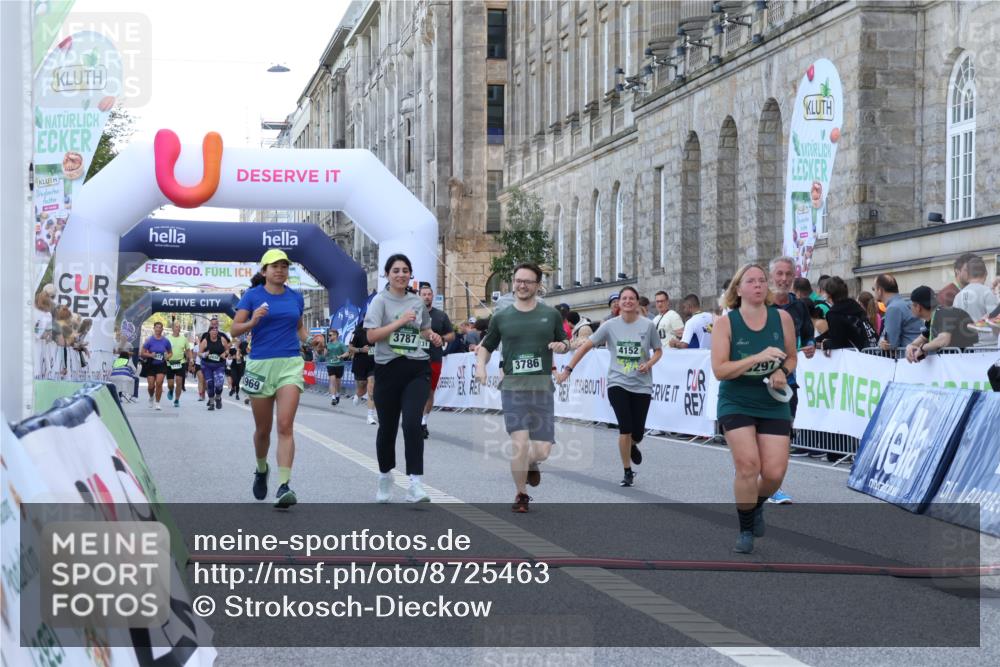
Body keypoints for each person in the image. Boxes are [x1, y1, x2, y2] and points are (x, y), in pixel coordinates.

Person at [711, 264, 797, 554]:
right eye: (751, 281)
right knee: (748, 465)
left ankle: (755, 505)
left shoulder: (782, 318)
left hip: (772, 401)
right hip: (736, 399)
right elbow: (720, 370)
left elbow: (793, 356)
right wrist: (757, 358)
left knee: (774, 473)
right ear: (738, 289)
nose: (759, 285)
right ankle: (745, 528)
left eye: (762, 280)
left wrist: (783, 370)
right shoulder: (726, 323)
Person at [477, 262, 569, 513]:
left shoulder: (550, 314)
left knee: (542, 450)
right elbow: (487, 345)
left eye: (528, 281)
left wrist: (561, 347)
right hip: (513, 389)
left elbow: (563, 341)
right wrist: (480, 366)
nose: (522, 285)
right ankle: (521, 494)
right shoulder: (502, 316)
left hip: (541, 389)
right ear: (513, 282)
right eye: (518, 280)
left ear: (538, 285)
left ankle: (530, 464)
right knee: (520, 443)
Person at [555, 286, 662, 487]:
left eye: (632, 298)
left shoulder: (648, 326)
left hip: (642, 384)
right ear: (618, 303)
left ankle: (632, 445)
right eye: (624, 298)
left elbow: (658, 351)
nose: (628, 301)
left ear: (637, 302)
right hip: (617, 382)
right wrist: (568, 369)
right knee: (625, 428)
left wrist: (649, 363)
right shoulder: (609, 326)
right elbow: (586, 346)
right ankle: (627, 471)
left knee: (637, 433)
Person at [231, 249, 308, 509]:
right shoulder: (252, 296)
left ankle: (284, 485)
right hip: (260, 365)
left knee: (285, 426)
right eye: (274, 266)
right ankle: (262, 468)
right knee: (263, 430)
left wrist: (313, 341)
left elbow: (299, 328)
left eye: (284, 266)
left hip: (289, 363)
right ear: (264, 271)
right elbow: (234, 330)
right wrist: (252, 321)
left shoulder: (296, 298)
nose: (279, 270)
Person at [364, 255, 443, 503]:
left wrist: (433, 337)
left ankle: (415, 483)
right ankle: (385, 475)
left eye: (405, 270)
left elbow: (423, 329)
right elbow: (371, 336)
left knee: (412, 424)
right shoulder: (380, 301)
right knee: (387, 428)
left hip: (416, 368)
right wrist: (398, 322)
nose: (401, 274)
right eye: (396, 270)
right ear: (387, 274)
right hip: (388, 369)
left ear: (411, 274)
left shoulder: (417, 302)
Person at [768, 256, 816, 479]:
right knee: (764, 431)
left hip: (788, 378)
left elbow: (808, 335)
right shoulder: (761, 303)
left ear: (794, 277)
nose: (784, 279)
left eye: (788, 274)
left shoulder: (799, 306)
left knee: (784, 431)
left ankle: (774, 480)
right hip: (758, 378)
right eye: (779, 273)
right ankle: (761, 474)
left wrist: (810, 345)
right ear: (771, 276)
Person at [419, 282, 455, 438]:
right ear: (419, 297)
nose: (427, 297)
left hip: (434, 358)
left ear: (432, 296)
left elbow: (452, 335)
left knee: (429, 392)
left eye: (429, 294)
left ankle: (423, 422)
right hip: (415, 358)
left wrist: (442, 337)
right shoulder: (413, 314)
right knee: (415, 391)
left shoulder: (441, 315)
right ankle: (414, 419)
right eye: (424, 294)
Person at [905, 286, 978, 362]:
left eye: (912, 305)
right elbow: (923, 338)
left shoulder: (943, 313)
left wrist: (922, 348)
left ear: (918, 307)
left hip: (966, 362)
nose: (910, 308)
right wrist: (911, 346)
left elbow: (943, 340)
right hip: (956, 362)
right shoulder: (934, 316)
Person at [816, 277, 878, 351]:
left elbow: (838, 342)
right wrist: (816, 340)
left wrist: (825, 344)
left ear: (829, 294)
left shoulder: (833, 313)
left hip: (857, 354)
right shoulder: (853, 304)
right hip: (870, 348)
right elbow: (836, 331)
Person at [871, 273, 923, 352]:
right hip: (919, 355)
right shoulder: (906, 303)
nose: (873, 292)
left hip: (909, 358)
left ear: (880, 290)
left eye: (873, 289)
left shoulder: (893, 308)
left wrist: (881, 344)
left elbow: (891, 344)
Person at [954, 256, 999, 345]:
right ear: (986, 273)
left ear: (968, 275)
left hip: (967, 348)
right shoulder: (988, 292)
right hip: (990, 346)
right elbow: (996, 321)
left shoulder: (957, 297)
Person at [199, 318, 231, 411]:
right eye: (212, 327)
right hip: (207, 364)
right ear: (209, 330)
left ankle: (218, 397)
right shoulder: (205, 338)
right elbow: (199, 352)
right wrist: (204, 354)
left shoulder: (222, 338)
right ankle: (212, 402)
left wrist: (225, 354)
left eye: (215, 328)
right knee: (210, 383)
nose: (214, 330)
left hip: (219, 364)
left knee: (219, 384)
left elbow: (228, 348)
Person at [139, 322, 171, 410]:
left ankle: (157, 402)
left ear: (162, 329)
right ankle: (151, 396)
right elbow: (142, 353)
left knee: (159, 383)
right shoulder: (149, 340)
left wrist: (166, 357)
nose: (158, 329)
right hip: (151, 364)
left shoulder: (166, 341)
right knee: (151, 386)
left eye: (160, 327)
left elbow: (170, 353)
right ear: (154, 328)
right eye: (157, 327)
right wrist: (150, 355)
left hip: (161, 364)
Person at [349, 325, 377, 424]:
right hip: (360, 363)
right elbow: (350, 348)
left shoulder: (378, 330)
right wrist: (361, 350)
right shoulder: (357, 332)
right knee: (362, 385)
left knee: (371, 387)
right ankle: (358, 395)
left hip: (373, 364)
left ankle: (370, 416)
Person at [165, 320, 191, 408]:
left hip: (181, 362)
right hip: (169, 363)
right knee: (170, 384)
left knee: (179, 382)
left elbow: (188, 350)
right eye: (176, 326)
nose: (178, 328)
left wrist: (190, 359)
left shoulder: (184, 338)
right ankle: (171, 390)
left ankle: (176, 400)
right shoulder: (167, 338)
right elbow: (163, 348)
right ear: (172, 328)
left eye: (179, 326)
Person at [325, 329, 349, 405]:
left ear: (335, 335)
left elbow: (347, 353)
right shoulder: (328, 344)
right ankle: (333, 398)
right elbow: (325, 355)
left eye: (330, 335)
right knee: (332, 381)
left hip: (339, 365)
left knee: (338, 383)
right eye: (329, 335)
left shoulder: (340, 344)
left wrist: (341, 356)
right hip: (330, 364)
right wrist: (325, 348)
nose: (329, 336)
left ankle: (338, 394)